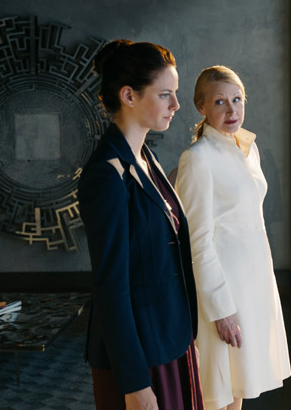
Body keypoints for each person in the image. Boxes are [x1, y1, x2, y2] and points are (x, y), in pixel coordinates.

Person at [78, 39, 203, 410]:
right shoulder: (106, 173)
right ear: (128, 95)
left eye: (175, 93)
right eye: (165, 94)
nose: (176, 105)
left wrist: (186, 341)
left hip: (169, 341)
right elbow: (110, 286)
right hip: (138, 359)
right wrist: (135, 383)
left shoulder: (145, 157)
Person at [175, 66, 291, 410]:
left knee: (240, 387)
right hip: (224, 290)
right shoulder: (197, 159)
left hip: (254, 284)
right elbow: (196, 241)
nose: (231, 110)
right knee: (218, 392)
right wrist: (221, 309)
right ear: (202, 107)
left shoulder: (248, 150)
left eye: (237, 99)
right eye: (220, 102)